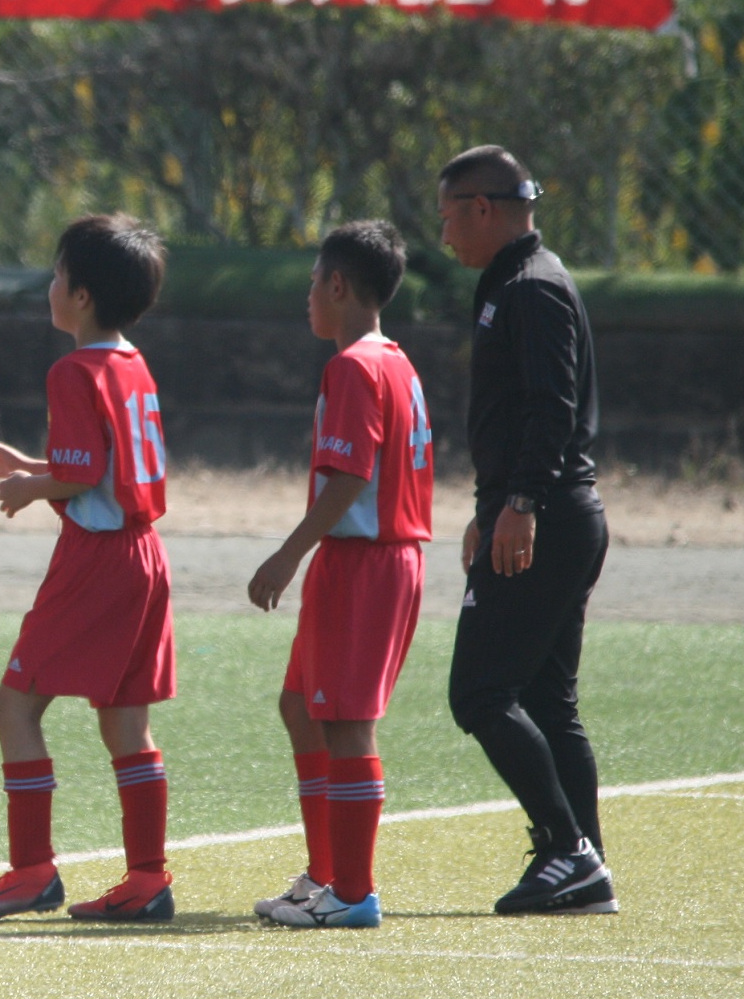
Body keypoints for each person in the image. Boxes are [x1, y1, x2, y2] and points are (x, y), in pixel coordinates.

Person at [0, 216, 177, 924]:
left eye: (55, 277)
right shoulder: (131, 363)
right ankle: (146, 878)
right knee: (123, 724)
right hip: (143, 557)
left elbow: (83, 471)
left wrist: (30, 487)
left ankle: (30, 872)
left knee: (13, 705)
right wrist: (32, 467)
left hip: (96, 563)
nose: (49, 287)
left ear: (79, 296)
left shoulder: (73, 369)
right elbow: (108, 467)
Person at [437, 146, 616, 916]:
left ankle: (567, 850)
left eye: (448, 216)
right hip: (548, 511)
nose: (444, 234)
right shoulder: (513, 281)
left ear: (482, 207)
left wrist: (520, 505)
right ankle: (584, 863)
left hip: (548, 513)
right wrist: (492, 507)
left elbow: (552, 406)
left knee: (479, 692)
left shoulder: (532, 287)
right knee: (548, 700)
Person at [246, 221, 432, 930]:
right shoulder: (394, 359)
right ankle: (322, 875)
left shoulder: (353, 366)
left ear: (336, 285)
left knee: (348, 723)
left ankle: (352, 893)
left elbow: (350, 476)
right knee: (300, 705)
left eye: (311, 283)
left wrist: (286, 553)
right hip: (366, 560)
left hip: (366, 561)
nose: (306, 299)